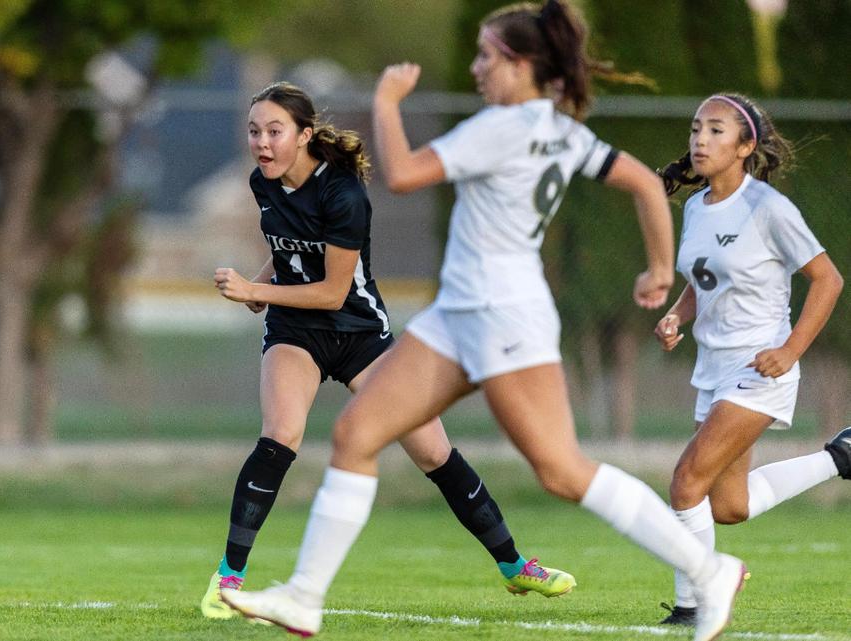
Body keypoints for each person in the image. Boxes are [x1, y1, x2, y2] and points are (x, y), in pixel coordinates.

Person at [221, 3, 748, 641]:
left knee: (561, 471)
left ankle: (707, 568)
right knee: (357, 434)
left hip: (503, 316)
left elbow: (405, 175)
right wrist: (659, 267)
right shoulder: (558, 127)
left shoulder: (501, 129)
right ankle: (304, 597)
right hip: (458, 314)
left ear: (521, 65)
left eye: (486, 56)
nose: (476, 68)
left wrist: (387, 102)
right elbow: (642, 181)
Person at [200, 81, 577, 621]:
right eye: (255, 131)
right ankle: (228, 579)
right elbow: (286, 244)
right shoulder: (264, 181)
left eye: (275, 131)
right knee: (280, 434)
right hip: (295, 331)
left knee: (432, 451)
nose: (262, 142)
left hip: (358, 333)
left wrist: (253, 290)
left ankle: (515, 566)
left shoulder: (343, 193)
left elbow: (333, 291)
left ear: (305, 135)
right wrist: (266, 281)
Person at [651, 92, 848, 626]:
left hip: (759, 367)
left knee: (686, 481)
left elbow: (829, 280)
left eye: (715, 131)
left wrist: (789, 351)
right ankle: (841, 457)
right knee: (726, 507)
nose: (700, 140)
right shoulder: (695, 206)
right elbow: (704, 280)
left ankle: (696, 603)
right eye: (696, 129)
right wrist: (677, 315)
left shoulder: (769, 208)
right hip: (713, 368)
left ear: (745, 146)